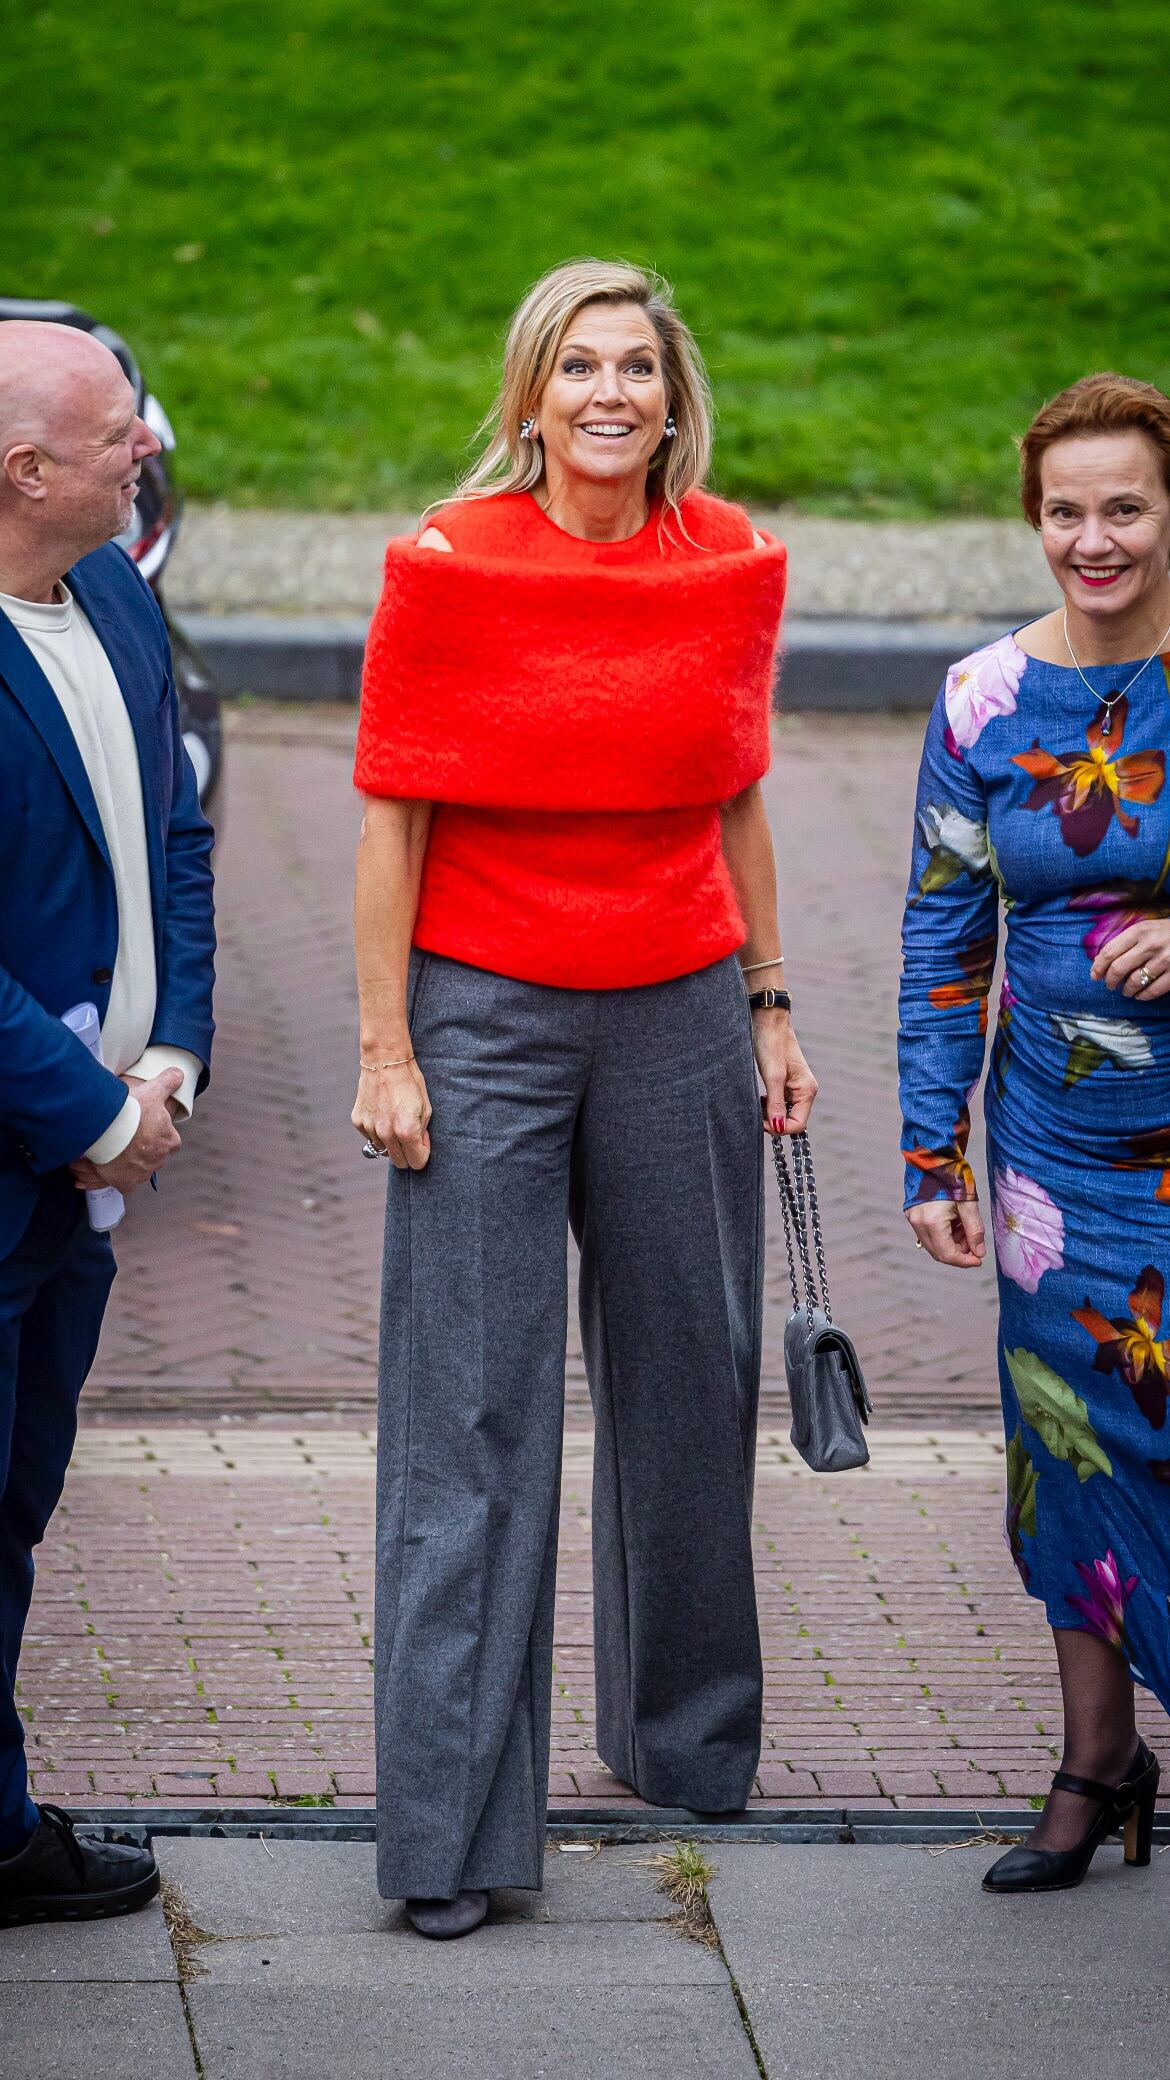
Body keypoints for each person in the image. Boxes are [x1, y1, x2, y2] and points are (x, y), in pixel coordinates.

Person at [352, 258, 815, 1938]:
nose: (608, 394)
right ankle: (450, 1835)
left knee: (694, 1380)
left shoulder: (728, 561)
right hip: (482, 1015)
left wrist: (768, 1003)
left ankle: (683, 1744)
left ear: (672, 399)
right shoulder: (448, 564)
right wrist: (385, 1046)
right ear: (530, 397)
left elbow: (735, 793)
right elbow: (392, 816)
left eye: (635, 367)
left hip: (681, 1005)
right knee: (470, 1419)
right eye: (577, 367)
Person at [899, 372, 1170, 1893]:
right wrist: (929, 1152)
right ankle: (1095, 1761)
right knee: (1067, 1447)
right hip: (1048, 1166)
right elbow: (944, 939)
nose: (1094, 539)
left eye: (1124, 507)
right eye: (1065, 511)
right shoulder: (981, 700)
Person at [0, 322, 215, 1924]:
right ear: (25, 472)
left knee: (16, 1506)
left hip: (83, 1178)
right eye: (117, 433)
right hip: (37, 1150)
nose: (148, 448)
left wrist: (174, 1060)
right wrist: (86, 1107)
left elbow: (177, 841)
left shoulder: (120, 596)